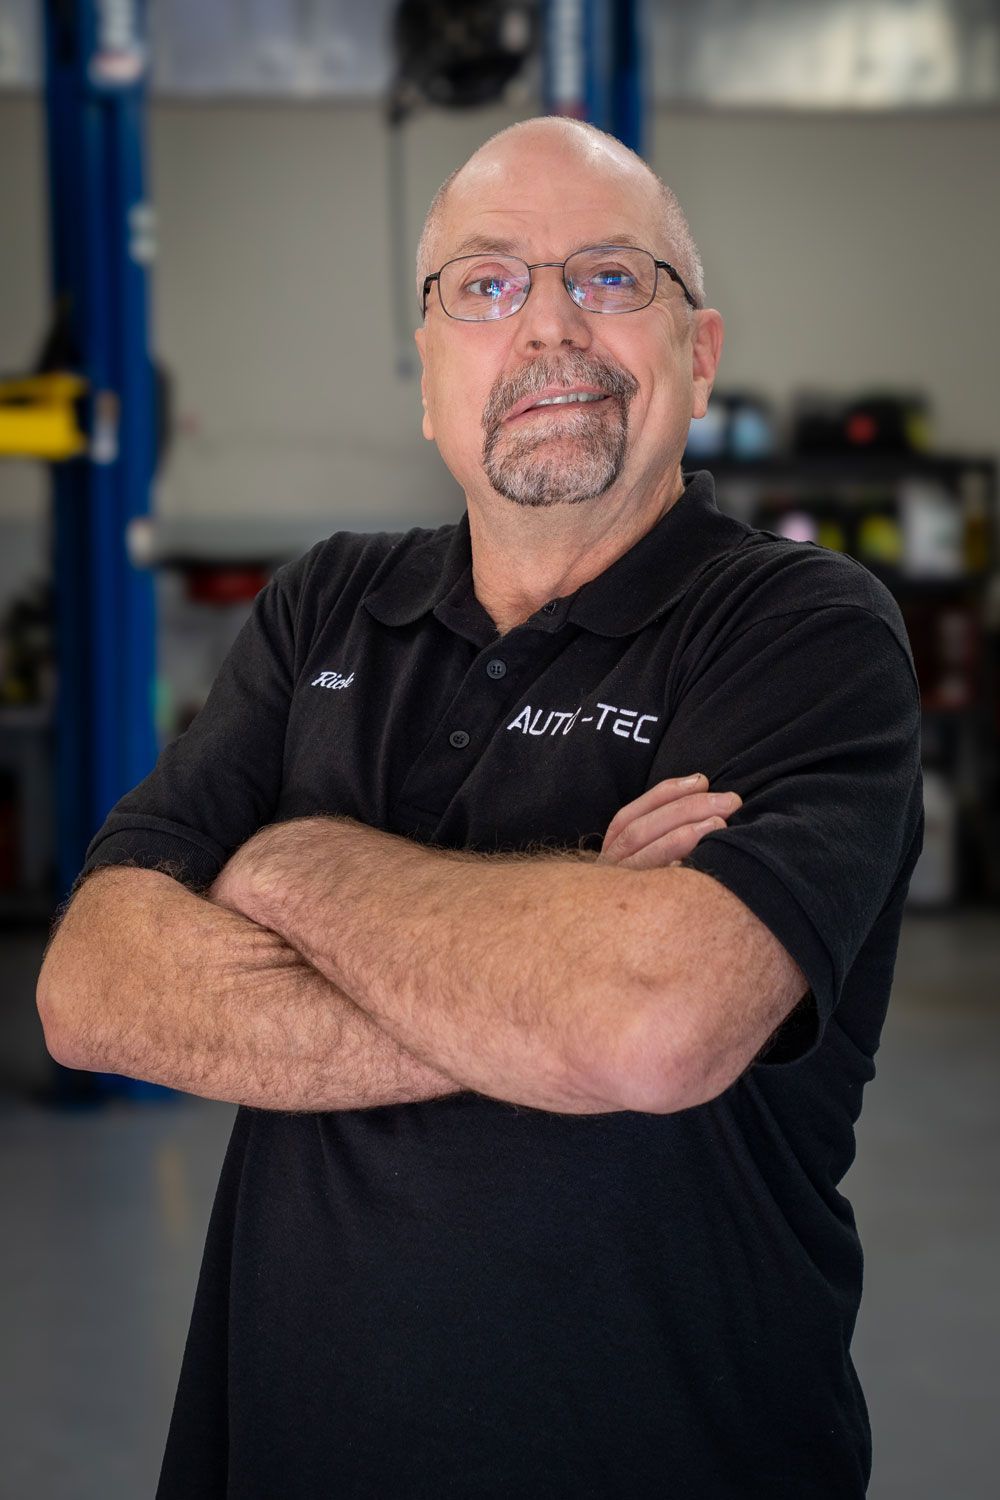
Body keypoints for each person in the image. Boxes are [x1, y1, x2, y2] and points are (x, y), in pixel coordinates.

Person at [37, 117, 922, 1498]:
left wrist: (289, 863)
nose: (550, 325)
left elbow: (654, 1025)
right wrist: (553, 983)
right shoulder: (328, 604)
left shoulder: (803, 631)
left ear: (699, 354)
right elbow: (93, 992)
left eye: (612, 276)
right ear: (430, 380)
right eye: (488, 284)